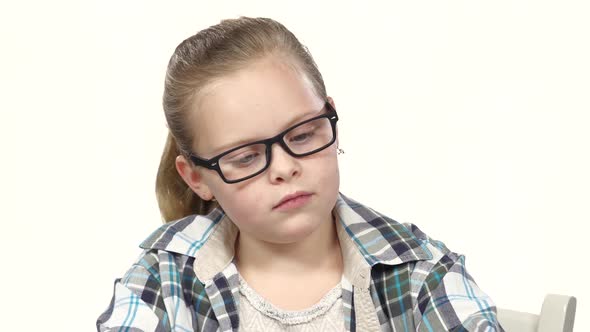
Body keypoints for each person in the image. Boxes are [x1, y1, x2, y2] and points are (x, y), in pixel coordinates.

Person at [97, 17, 503, 332]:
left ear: (332, 121)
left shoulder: (420, 273)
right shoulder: (162, 281)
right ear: (196, 177)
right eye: (245, 156)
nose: (285, 167)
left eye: (304, 133)